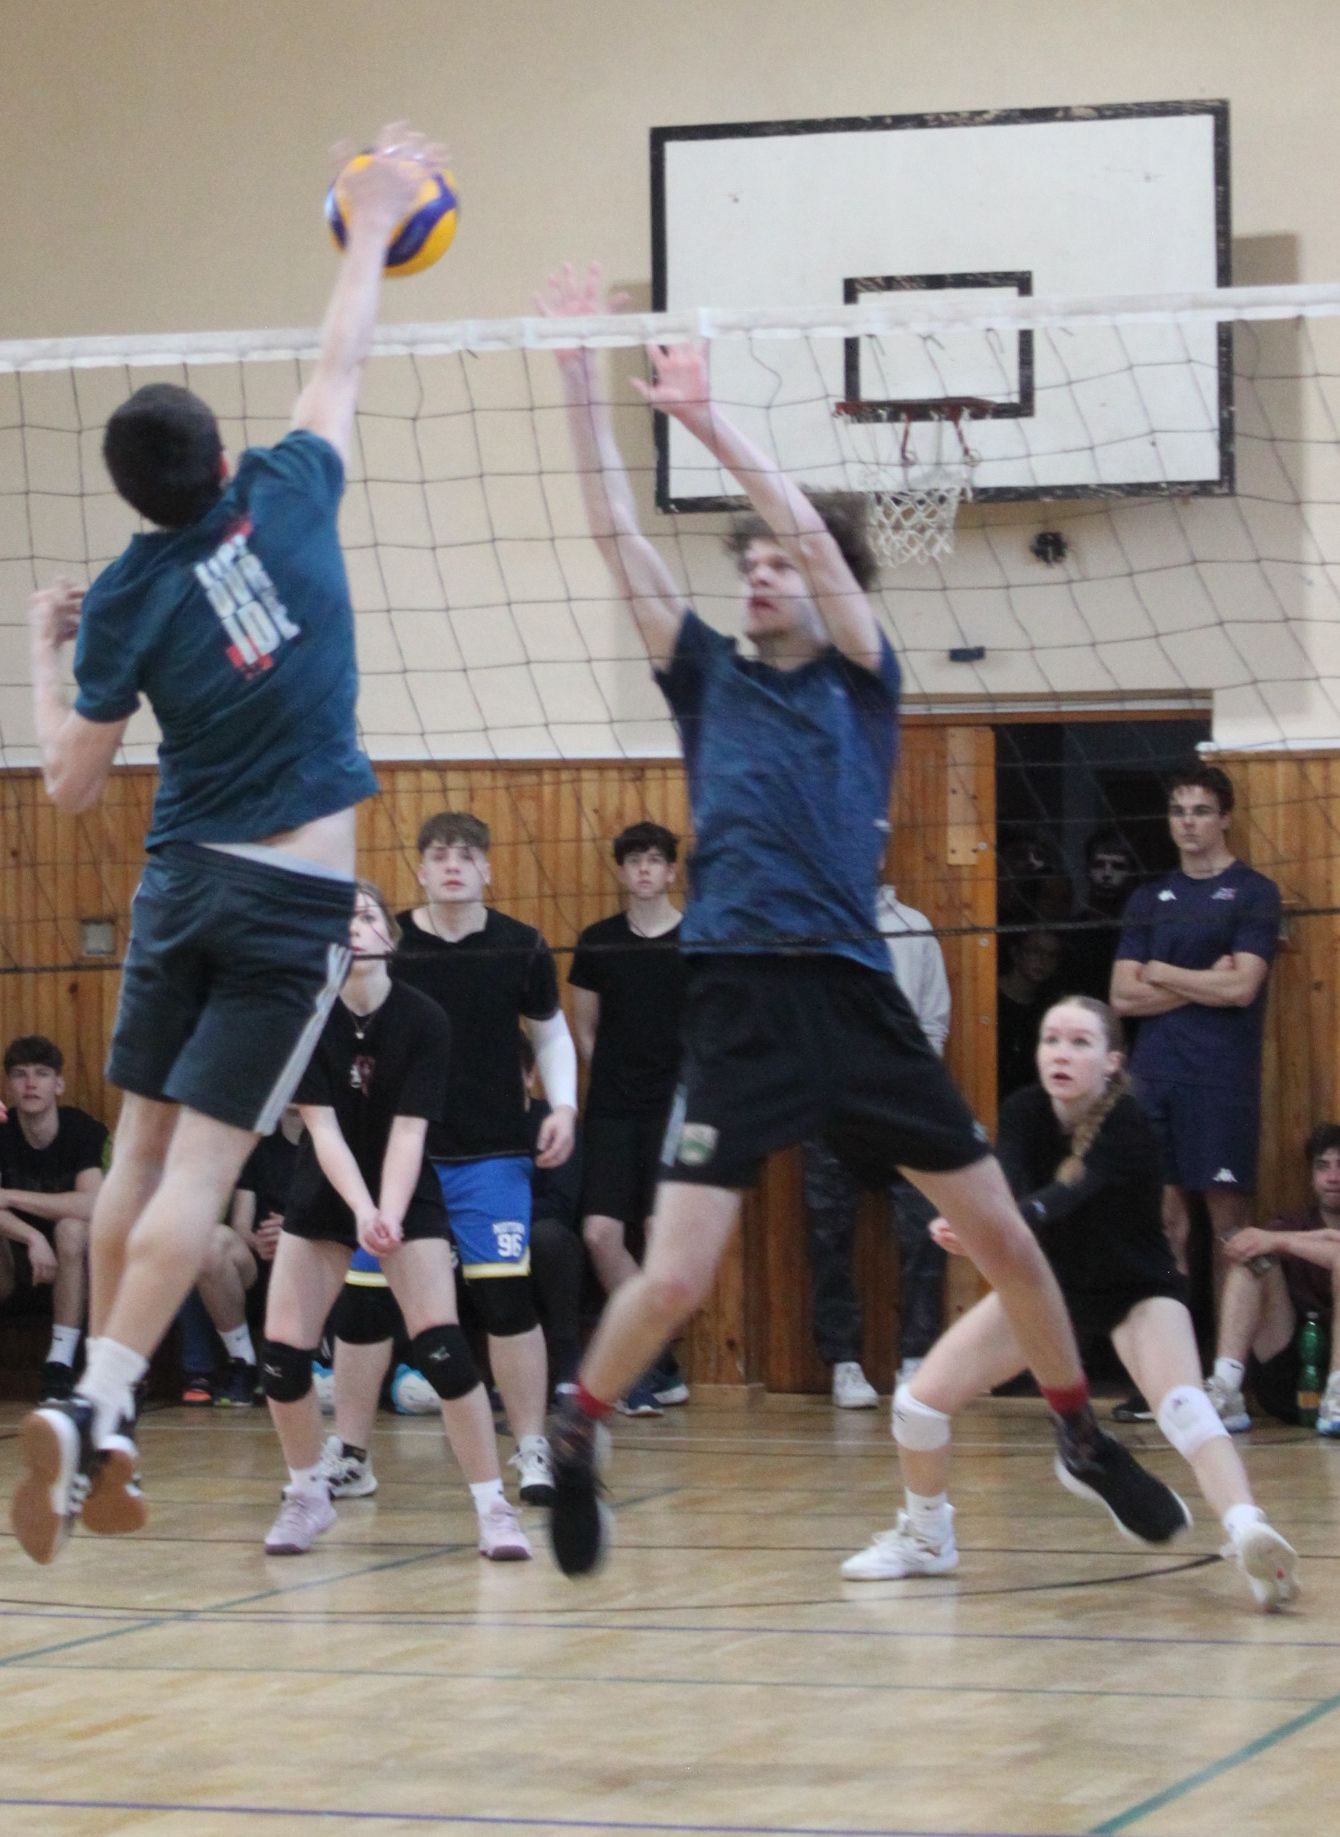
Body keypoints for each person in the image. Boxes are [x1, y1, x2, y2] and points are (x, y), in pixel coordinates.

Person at [538, 258, 1188, 1578]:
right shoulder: (703, 675)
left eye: (781, 560)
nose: (761, 575)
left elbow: (826, 547)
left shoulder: (859, 675)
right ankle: (579, 1429)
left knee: (1005, 1239)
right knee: (676, 1274)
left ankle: (1075, 1432)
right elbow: (614, 536)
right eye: (751, 562)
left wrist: (709, 421)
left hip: (853, 994)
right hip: (737, 1001)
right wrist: (577, 383)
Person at [11, 127, 446, 1566]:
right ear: (217, 455)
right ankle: (96, 1404)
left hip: (178, 883)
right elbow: (343, 356)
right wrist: (369, 222)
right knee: (197, 1176)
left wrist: (44, 649)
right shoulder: (290, 488)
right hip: (286, 902)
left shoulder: (126, 596)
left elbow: (70, 785)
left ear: (134, 493)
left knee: (136, 1147)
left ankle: (102, 1407)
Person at [843, 996, 1299, 1613]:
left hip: (1136, 1291)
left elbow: (1060, 1197)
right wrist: (972, 1224)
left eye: (1080, 1042)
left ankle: (1249, 1533)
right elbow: (1007, 1191)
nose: (1060, 1053)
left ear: (1112, 1061)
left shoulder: (1129, 1122)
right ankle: (927, 1539)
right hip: (1045, 1290)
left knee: (1186, 1407)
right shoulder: (1024, 1111)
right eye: (1051, 1039)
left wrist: (993, 1225)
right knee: (917, 1407)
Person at [261, 882, 529, 1560]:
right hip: (327, 1190)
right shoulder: (305, 1015)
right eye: (340, 918)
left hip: (404, 1189)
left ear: (390, 933)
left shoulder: (424, 1018)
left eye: (366, 914)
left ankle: (494, 1509)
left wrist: (389, 1212)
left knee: (443, 1348)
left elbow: (410, 1132)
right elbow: (322, 1131)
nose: (354, 926)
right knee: (283, 1355)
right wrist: (361, 1211)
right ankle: (306, 1494)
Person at [396, 810, 579, 1505]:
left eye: (467, 854)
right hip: (403, 1155)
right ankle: (348, 1452)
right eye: (440, 854)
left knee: (505, 1300)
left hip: (493, 1152)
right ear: (420, 869)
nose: (454, 865)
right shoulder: (390, 943)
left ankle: (531, 1446)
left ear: (487, 869)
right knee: (364, 1306)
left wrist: (563, 1107)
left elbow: (551, 1033)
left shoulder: (520, 944)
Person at [801, 882, 951, 1408]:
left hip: (904, 1107)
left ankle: (917, 1361)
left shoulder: (914, 926)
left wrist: (909, 1081)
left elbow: (934, 1019)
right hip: (832, 1108)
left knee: (924, 1233)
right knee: (829, 1236)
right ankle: (843, 1362)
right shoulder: (816, 926)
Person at [569, 820, 688, 1415]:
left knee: (663, 1238)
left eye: (654, 860)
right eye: (634, 860)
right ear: (621, 871)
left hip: (676, 1108)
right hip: (613, 1109)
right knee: (600, 1235)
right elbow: (584, 1030)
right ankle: (652, 1361)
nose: (644, 869)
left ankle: (642, 1366)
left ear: (671, 870)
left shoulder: (697, 940)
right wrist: (615, 1079)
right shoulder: (598, 942)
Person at [1208, 1123, 1340, 1435]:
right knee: (1253, 1257)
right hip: (1289, 1367)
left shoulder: (1283, 1234)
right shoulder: (1294, 1221)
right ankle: (1226, 1388)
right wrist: (1279, 1240)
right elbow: (1243, 1244)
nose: (1333, 1177)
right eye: (1322, 1167)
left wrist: (1281, 1241)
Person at [0, 1036, 107, 1401]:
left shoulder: (82, 1130)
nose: (30, 1083)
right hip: (16, 1253)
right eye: (20, 1074)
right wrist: (32, 1237)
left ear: (58, 1084)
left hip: (78, 1259)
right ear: (9, 1087)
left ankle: (59, 1361)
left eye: (42, 1074)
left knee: (72, 1228)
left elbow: (93, 1205)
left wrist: (12, 1197)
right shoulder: (3, 1132)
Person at [1064, 829, 1140, 1002]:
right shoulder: (1071, 931)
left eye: (1117, 866)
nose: (1107, 874)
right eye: (1099, 865)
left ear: (1130, 872)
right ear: (1087, 869)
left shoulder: (1137, 930)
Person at [997, 929, 1063, 1099]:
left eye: (1052, 955)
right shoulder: (988, 998)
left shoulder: (1050, 1008)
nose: (1043, 961)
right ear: (1015, 953)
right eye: (1035, 951)